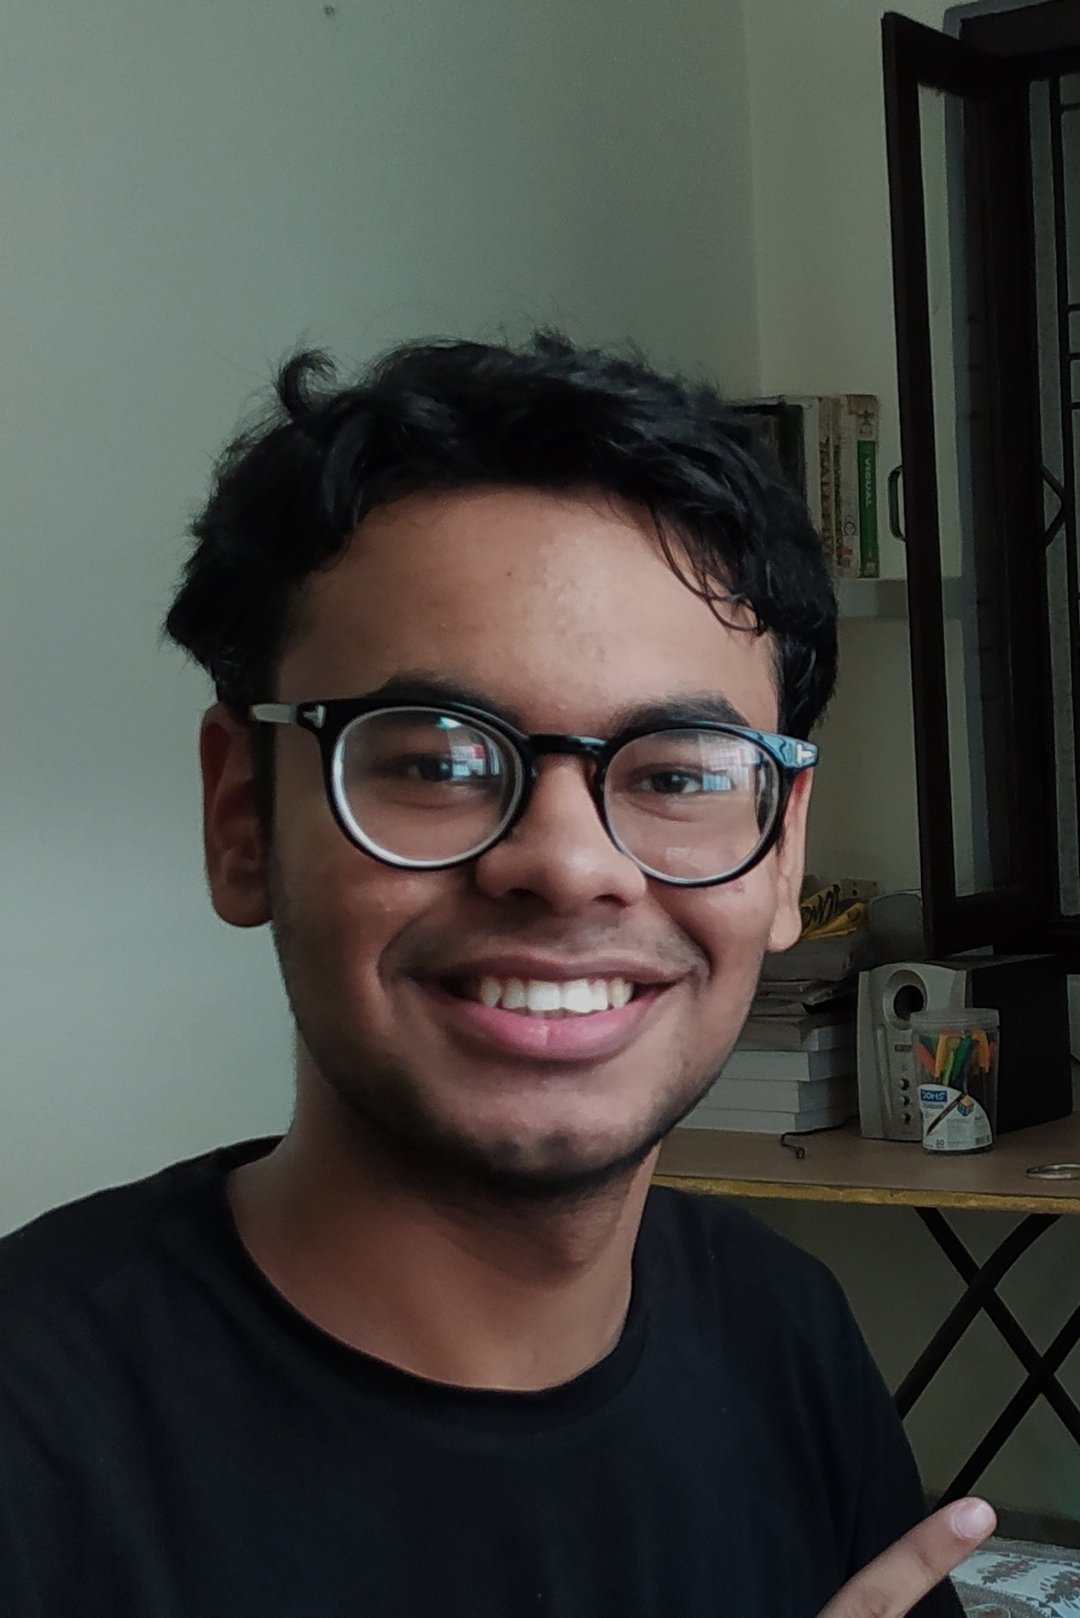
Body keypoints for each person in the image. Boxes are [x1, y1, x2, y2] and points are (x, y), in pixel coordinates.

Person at [0, 333, 993, 1616]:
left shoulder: (779, 1325)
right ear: (242, 819)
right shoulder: (39, 1439)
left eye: (678, 772)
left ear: (783, 851)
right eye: (436, 760)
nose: (571, 865)